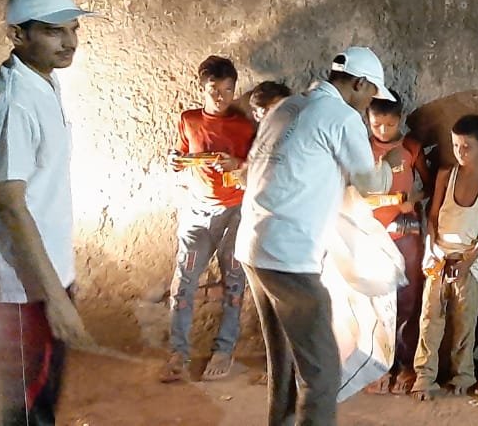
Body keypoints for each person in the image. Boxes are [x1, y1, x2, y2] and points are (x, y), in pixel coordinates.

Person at [235, 47, 397, 425]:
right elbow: (370, 184)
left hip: (254, 246)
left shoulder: (286, 107)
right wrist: (388, 164)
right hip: (289, 256)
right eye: (371, 94)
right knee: (323, 372)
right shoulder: (341, 116)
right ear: (359, 84)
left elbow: (257, 172)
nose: (369, 105)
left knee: (284, 360)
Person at [0, 0, 97, 424]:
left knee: (37, 403)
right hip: (20, 293)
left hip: (37, 286)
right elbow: (11, 205)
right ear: (17, 34)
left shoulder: (41, 82)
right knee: (25, 412)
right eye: (52, 31)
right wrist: (55, 298)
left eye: (72, 29)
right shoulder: (12, 102)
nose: (69, 42)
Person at [161, 56, 256, 383]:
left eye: (228, 90)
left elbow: (257, 167)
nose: (221, 97)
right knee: (184, 281)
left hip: (236, 211)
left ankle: (224, 349)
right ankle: (178, 352)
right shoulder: (189, 119)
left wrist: (237, 165)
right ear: (202, 88)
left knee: (234, 280)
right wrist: (176, 161)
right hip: (198, 210)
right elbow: (181, 154)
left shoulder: (245, 126)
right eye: (214, 90)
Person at [412, 115, 478, 402]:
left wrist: (468, 261)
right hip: (440, 258)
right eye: (455, 146)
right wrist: (431, 249)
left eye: (466, 147)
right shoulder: (446, 175)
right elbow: (433, 216)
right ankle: (424, 375)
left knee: (465, 321)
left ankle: (463, 374)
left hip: (469, 263)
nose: (459, 152)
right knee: (430, 318)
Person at [364, 92, 432, 395]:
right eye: (376, 124)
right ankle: (377, 364)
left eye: (389, 125)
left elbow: (428, 186)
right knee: (375, 300)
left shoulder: (411, 148)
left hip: (405, 231)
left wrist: (411, 202)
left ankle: (405, 363)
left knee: (408, 298)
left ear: (400, 120)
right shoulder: (361, 148)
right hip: (371, 232)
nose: (382, 131)